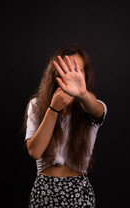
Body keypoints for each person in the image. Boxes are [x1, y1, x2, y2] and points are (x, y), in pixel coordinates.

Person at [23, 44, 107, 207]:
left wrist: (82, 94)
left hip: (79, 192)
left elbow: (96, 110)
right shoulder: (37, 105)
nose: (72, 75)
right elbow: (35, 151)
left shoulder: (91, 106)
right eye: (66, 69)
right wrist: (53, 109)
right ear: (56, 73)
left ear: (85, 76)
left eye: (77, 71)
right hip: (44, 192)